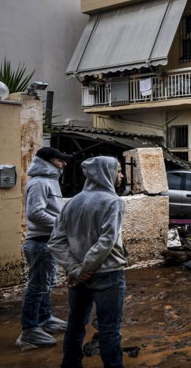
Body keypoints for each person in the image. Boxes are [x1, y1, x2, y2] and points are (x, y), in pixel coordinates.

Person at [49, 156, 127, 368]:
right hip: (108, 273)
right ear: (106, 173)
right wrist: (83, 269)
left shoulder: (72, 202)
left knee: (75, 325)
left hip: (78, 277)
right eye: (118, 171)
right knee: (109, 328)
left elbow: (56, 241)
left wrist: (75, 270)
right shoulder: (113, 202)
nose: (121, 176)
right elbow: (107, 241)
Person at [16, 146, 71, 350]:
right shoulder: (39, 183)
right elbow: (35, 213)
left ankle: (45, 319)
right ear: (46, 161)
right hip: (40, 242)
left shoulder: (50, 181)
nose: (64, 163)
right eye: (59, 160)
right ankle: (29, 330)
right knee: (37, 287)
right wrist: (62, 224)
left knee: (45, 284)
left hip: (49, 241)